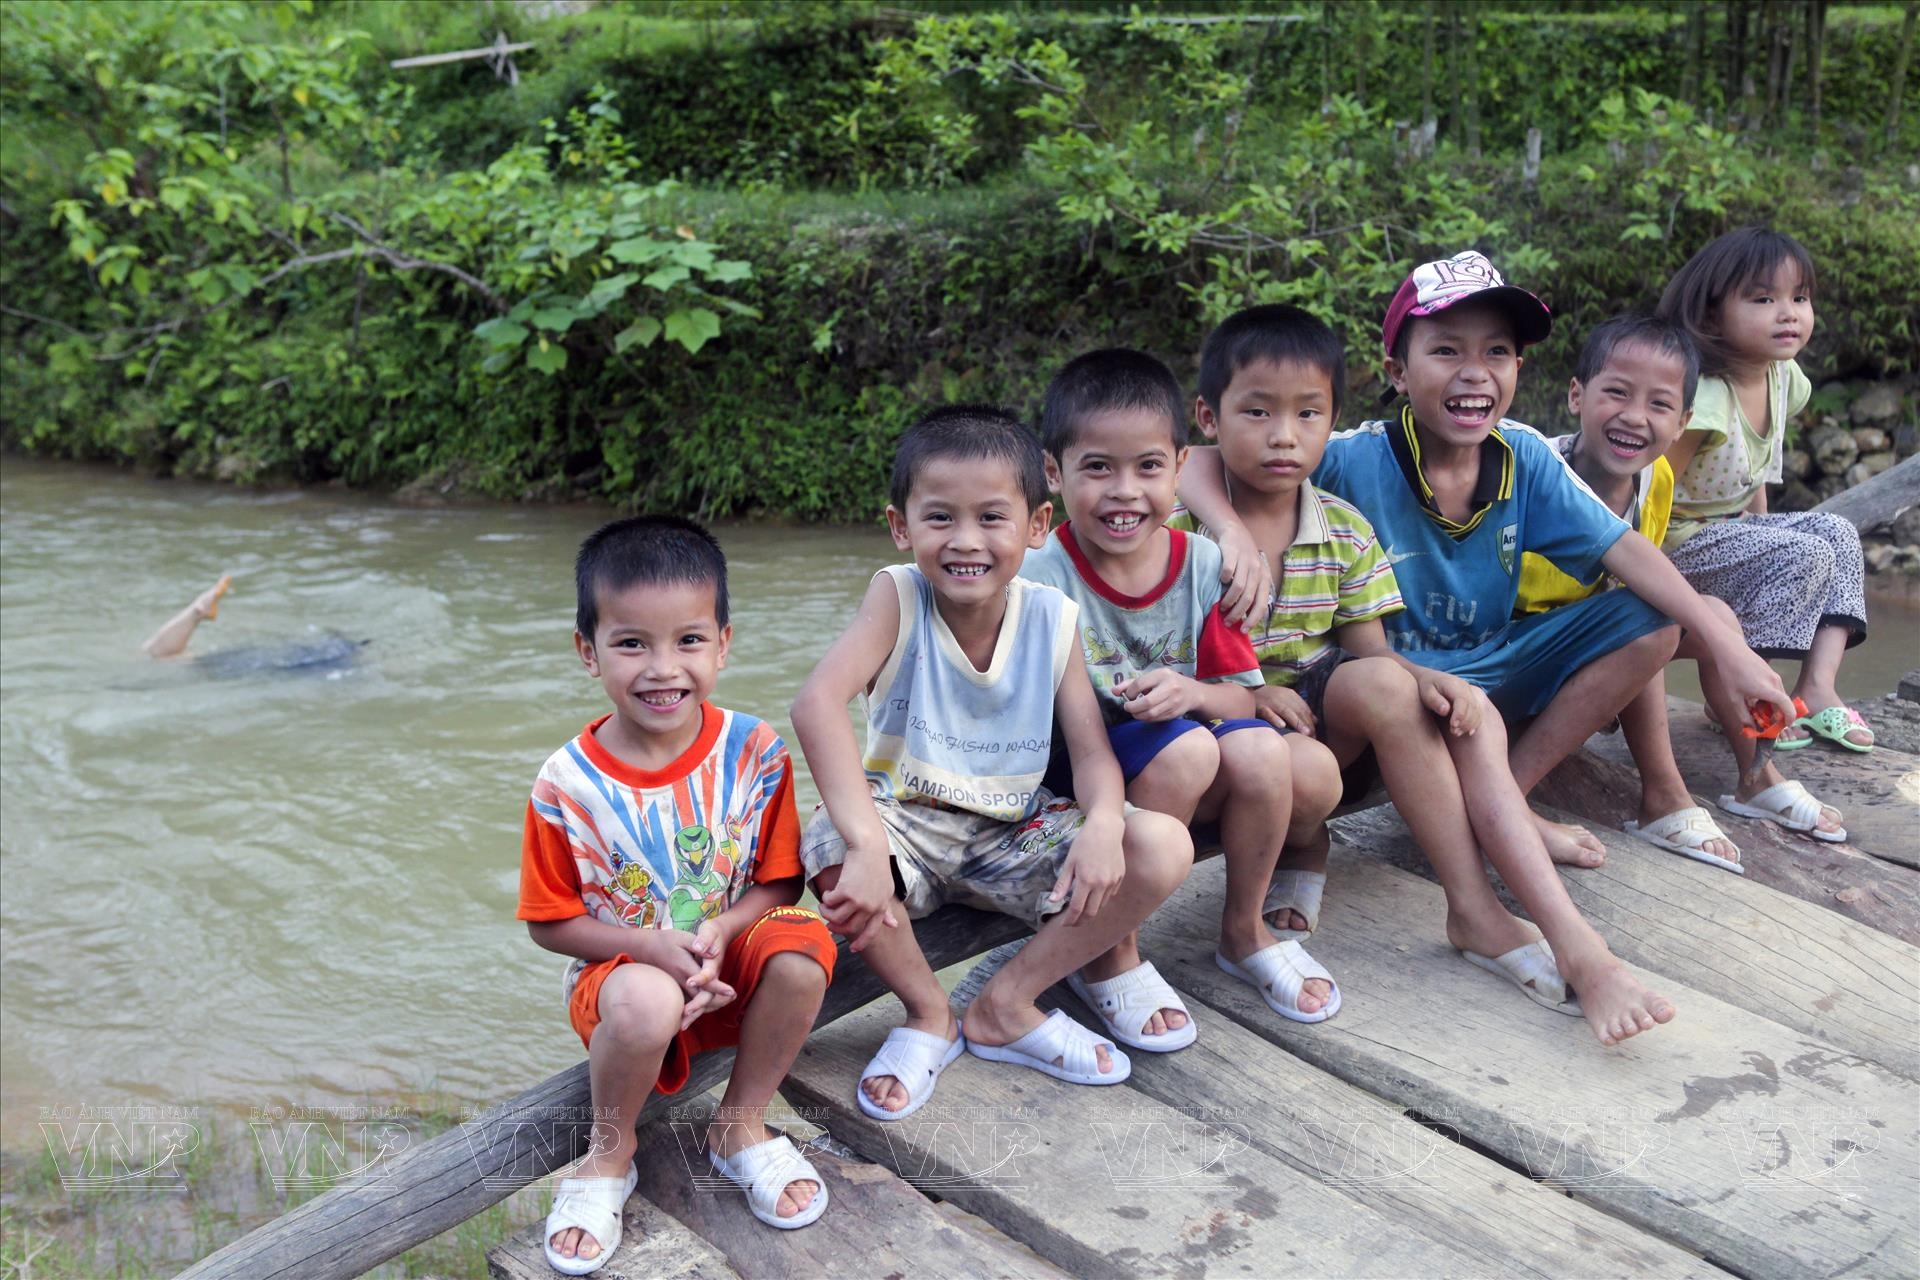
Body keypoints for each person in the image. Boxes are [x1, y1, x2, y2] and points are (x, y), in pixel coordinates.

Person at [1181, 251, 1795, 873]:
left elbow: (1627, 550)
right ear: (1397, 370)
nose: (1475, 374)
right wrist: (1229, 528)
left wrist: (1730, 650)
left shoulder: (1523, 456)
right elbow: (1192, 460)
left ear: (1519, 368)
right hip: (1391, 685)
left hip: (1493, 667)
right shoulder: (1348, 456)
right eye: (1447, 351)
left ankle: (1508, 799)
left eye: (1495, 353)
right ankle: (1496, 813)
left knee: (1656, 618)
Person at [1174, 302, 1677, 1047]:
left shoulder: (1344, 523)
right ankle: (1469, 906)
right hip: (1232, 731)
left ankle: (1550, 935)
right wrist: (1230, 530)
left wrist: (1423, 677)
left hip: (1332, 706)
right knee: (1367, 720)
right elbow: (1178, 460)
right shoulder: (1314, 477)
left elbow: (1368, 652)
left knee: (1428, 695)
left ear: (1329, 417)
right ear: (1397, 374)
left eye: (1307, 414)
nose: (1285, 435)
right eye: (1260, 413)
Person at [789, 406, 1193, 1118]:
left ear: (1037, 527)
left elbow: (1093, 749)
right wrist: (862, 841)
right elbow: (816, 704)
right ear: (901, 526)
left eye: (991, 518)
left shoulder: (1050, 615)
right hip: (907, 822)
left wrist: (1102, 822)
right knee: (824, 841)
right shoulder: (898, 595)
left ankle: (1006, 1003)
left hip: (1013, 827)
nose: (965, 541)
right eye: (940, 518)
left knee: (1158, 841)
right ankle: (927, 1014)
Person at [518, 517, 837, 1274]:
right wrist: (651, 947)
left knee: (803, 944)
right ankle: (608, 1153)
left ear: (724, 643)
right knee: (645, 1000)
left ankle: (742, 1123)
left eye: (689, 641)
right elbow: (551, 923)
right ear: (587, 651)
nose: (664, 668)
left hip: (731, 959)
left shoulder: (755, 751)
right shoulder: (567, 786)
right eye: (632, 644)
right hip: (623, 985)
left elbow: (779, 881)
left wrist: (725, 927)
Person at [1020, 347, 1337, 1037]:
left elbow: (1241, 700)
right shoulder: (1039, 575)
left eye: (1148, 467)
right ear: (1053, 472)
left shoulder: (1200, 563)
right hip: (1080, 770)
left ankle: (1244, 931)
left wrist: (1191, 690)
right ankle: (1109, 951)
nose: (1125, 491)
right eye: (1097, 468)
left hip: (1170, 746)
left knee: (1261, 753)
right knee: (1191, 754)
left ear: (1180, 466)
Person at [1520, 314, 1846, 869]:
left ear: (1684, 421)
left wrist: (1731, 646)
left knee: (1712, 614)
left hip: (1586, 654)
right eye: (1617, 393)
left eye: (1659, 405)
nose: (1633, 417)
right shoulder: (1534, 470)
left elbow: (1636, 578)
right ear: (1577, 394)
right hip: (1515, 657)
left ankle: (1755, 774)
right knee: (1654, 618)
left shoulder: (1658, 478)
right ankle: (1661, 793)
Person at [1657, 227, 1874, 783]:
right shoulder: (1705, 398)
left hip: (1733, 530)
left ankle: (1817, 685)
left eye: (1799, 298)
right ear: (1711, 316)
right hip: (1678, 542)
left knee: (1837, 534)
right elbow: (1652, 493)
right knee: (1799, 553)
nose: (1789, 314)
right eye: (1763, 299)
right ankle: (1750, 691)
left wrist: (1766, 527)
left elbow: (1759, 470)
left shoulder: (1785, 379)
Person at [139, 573, 367, 676]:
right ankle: (196, 612)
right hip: (283, 663)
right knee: (162, 659)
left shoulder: (343, 654)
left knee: (158, 657)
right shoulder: (352, 663)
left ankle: (196, 611)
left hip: (288, 657)